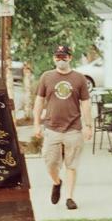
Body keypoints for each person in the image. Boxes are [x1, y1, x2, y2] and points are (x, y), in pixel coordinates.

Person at [32, 44, 92, 210]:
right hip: (52, 128)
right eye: (58, 56)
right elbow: (39, 102)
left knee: (71, 165)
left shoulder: (79, 78)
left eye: (64, 56)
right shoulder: (46, 77)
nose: (61, 59)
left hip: (73, 129)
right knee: (50, 164)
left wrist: (88, 125)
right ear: (54, 58)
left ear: (70, 57)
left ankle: (69, 198)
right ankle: (57, 182)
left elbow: (86, 103)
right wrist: (36, 124)